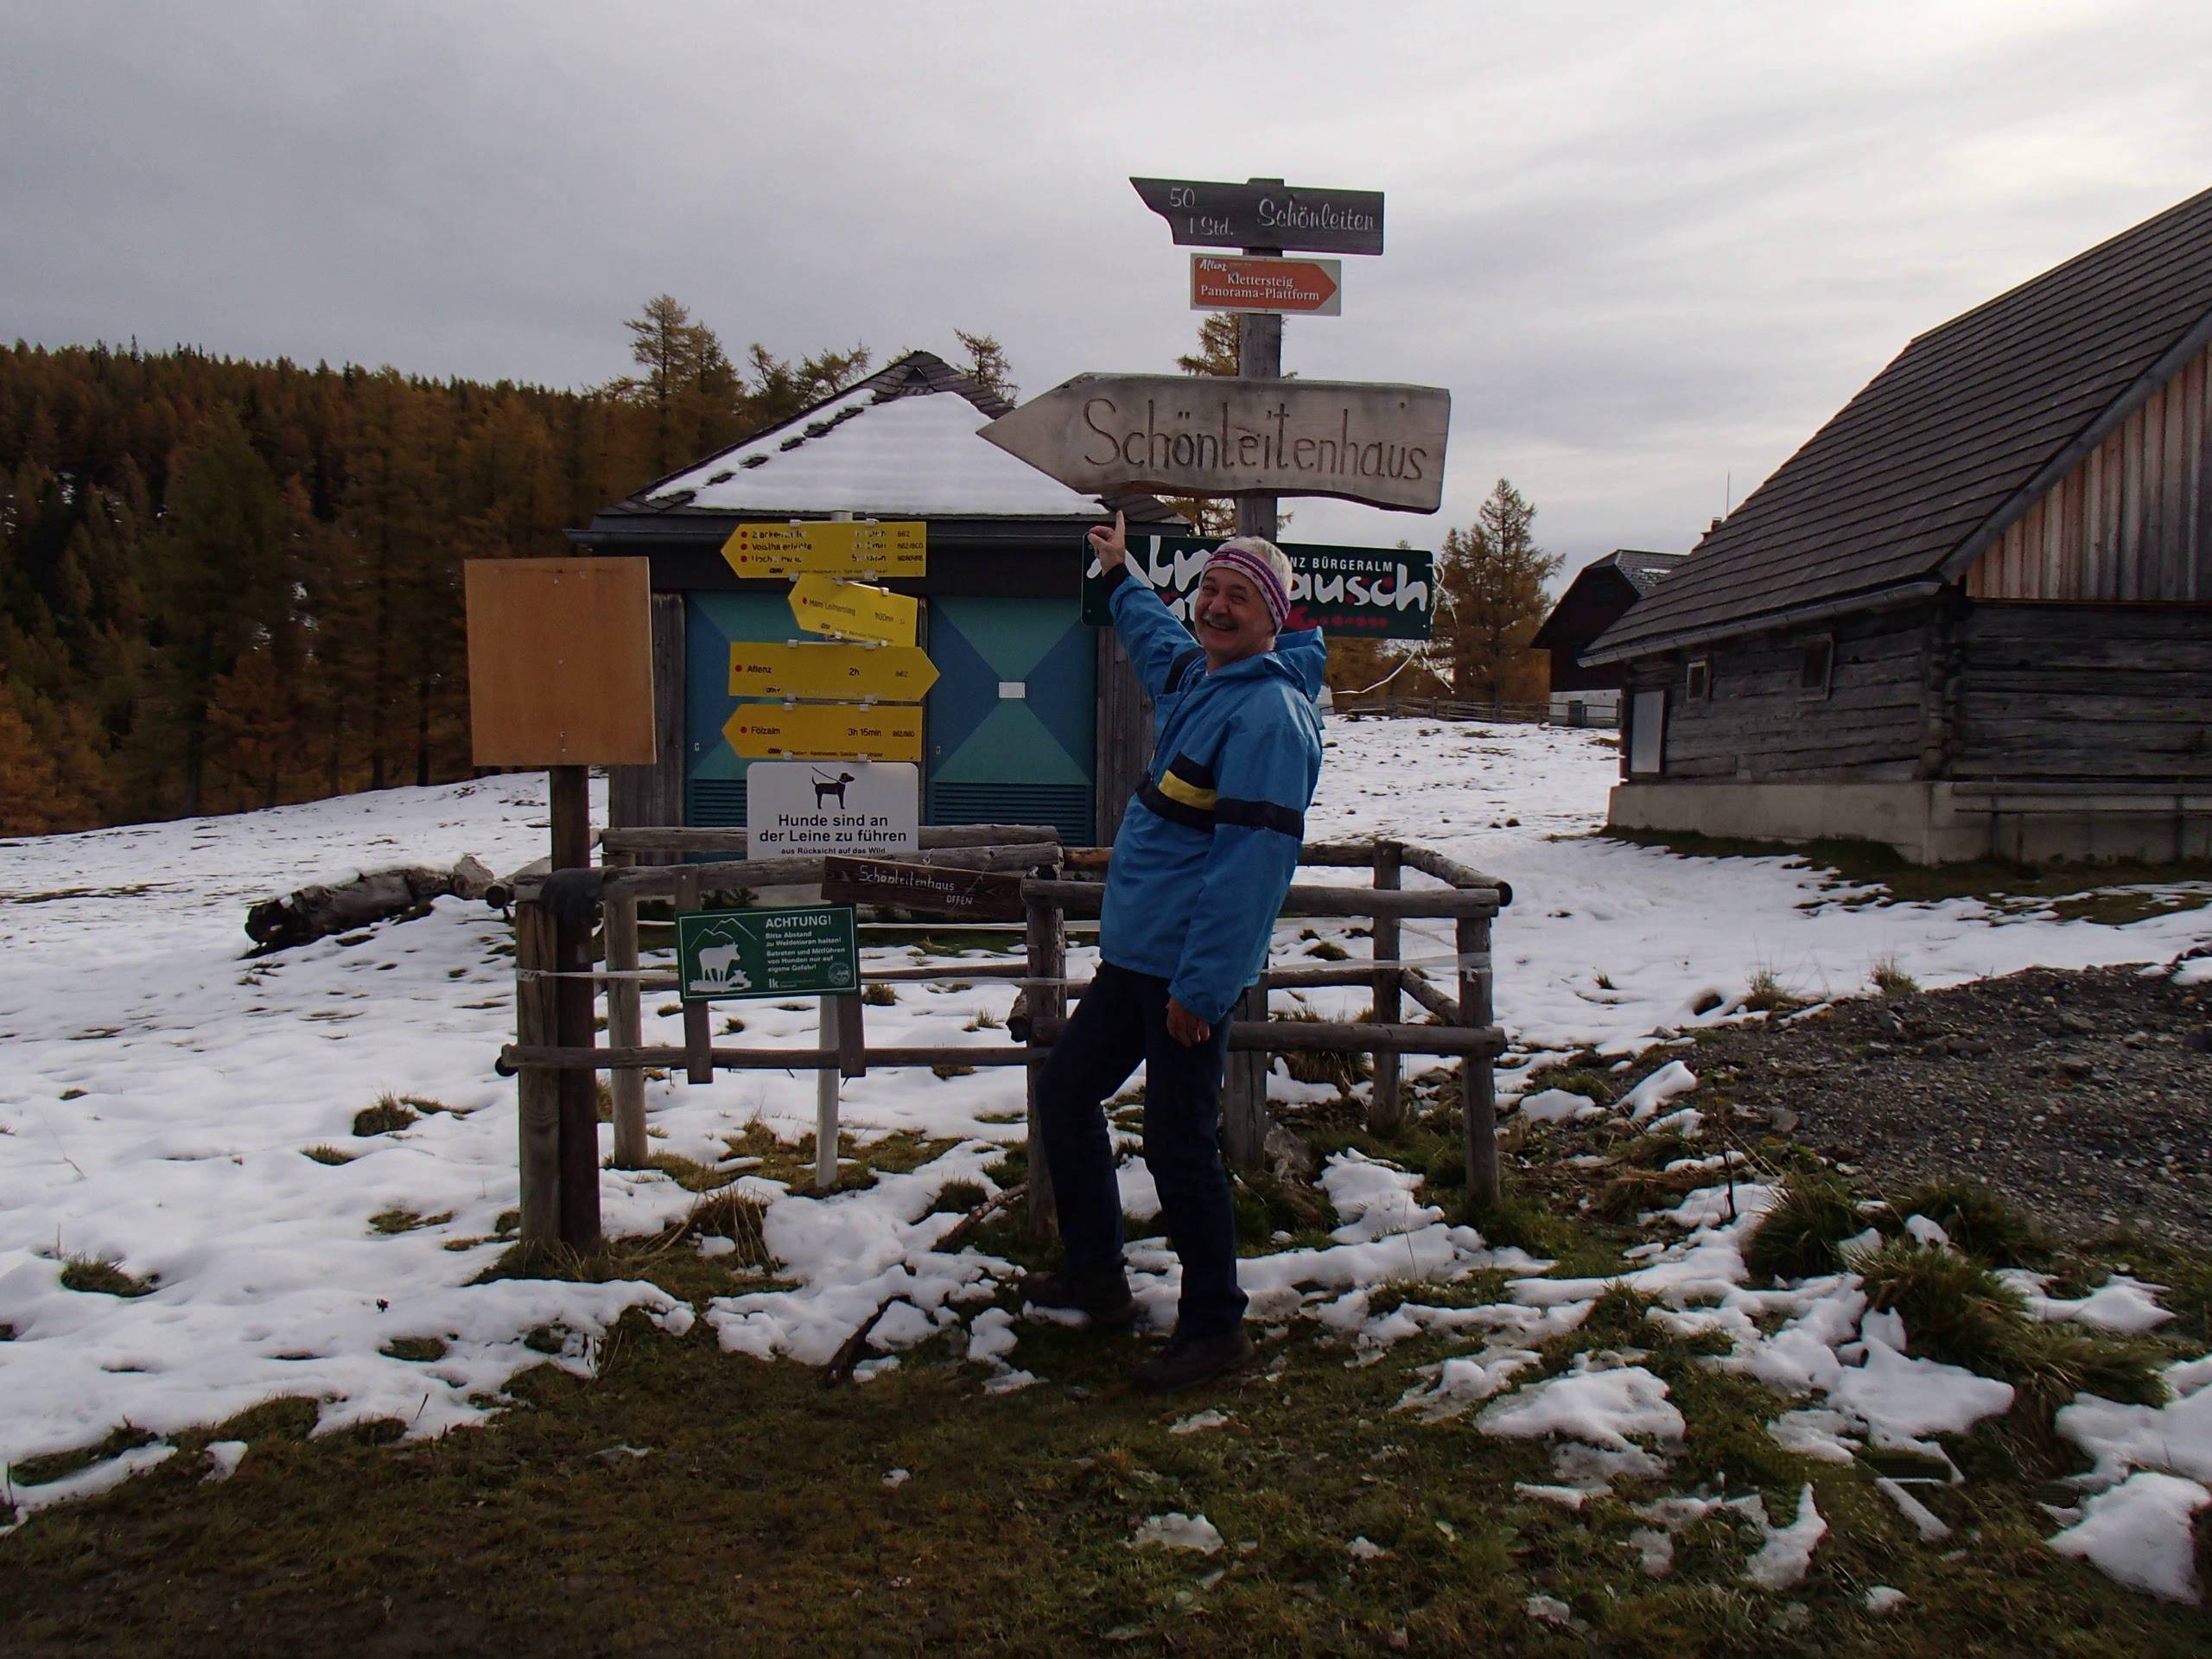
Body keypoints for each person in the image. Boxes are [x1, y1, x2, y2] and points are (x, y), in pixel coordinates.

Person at [1023, 511, 1325, 1394]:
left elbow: (1252, 868)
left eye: (1241, 598)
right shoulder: (1206, 677)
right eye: (1213, 590)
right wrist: (1120, 575)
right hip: (1137, 959)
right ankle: (1098, 1279)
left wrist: (1201, 988)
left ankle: (1214, 1325)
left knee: (1178, 1144)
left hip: (1185, 973)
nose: (1218, 607)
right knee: (1069, 1091)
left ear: (1275, 621)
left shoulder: (1268, 715)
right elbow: (1160, 643)